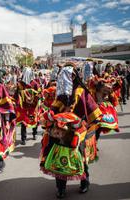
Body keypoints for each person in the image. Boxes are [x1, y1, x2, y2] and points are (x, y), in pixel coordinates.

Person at [40, 63, 102, 198]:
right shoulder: (61, 92)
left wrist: (90, 124)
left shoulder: (81, 91)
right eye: (63, 75)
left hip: (77, 129)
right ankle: (60, 187)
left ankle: (85, 181)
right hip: (60, 129)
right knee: (56, 154)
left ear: (74, 76)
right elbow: (55, 106)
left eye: (68, 75)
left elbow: (91, 108)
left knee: (79, 155)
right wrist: (50, 114)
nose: (66, 77)